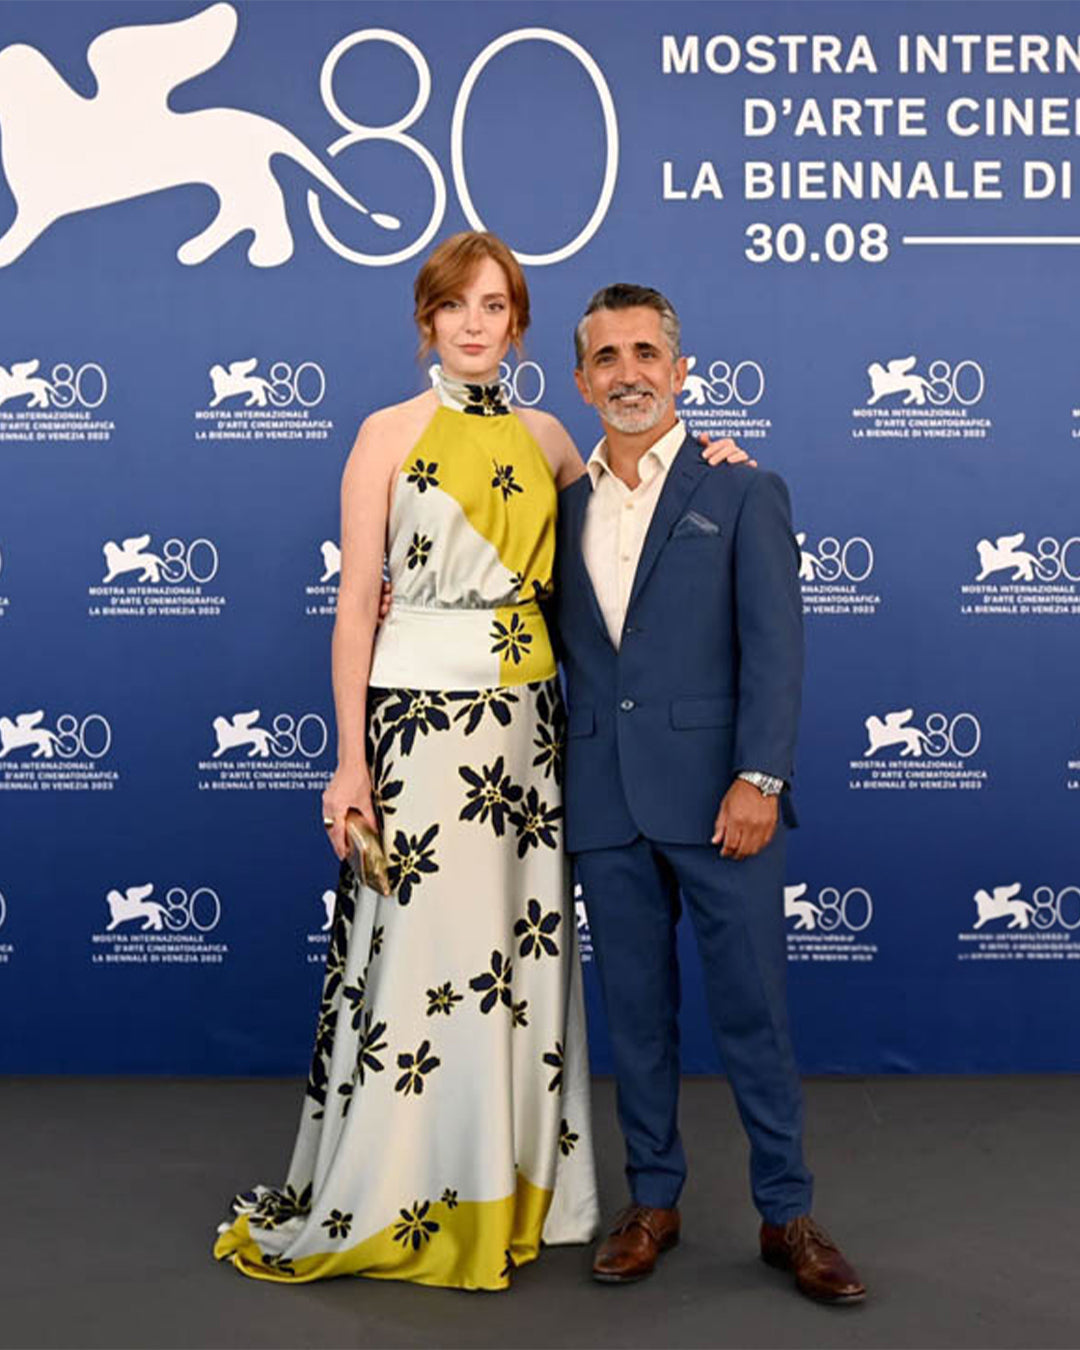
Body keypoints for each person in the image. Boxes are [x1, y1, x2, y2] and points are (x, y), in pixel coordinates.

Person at [212, 234, 743, 1291]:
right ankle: (407, 1188)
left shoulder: (553, 437)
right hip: (418, 734)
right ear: (427, 320)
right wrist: (348, 763)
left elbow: (633, 503)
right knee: (419, 965)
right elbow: (357, 604)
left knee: (516, 965)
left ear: (518, 326)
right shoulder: (384, 436)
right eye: (454, 304)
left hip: (530, 739)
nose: (472, 323)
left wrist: (709, 458)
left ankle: (515, 1189)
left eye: (493, 306)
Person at [554, 283, 866, 1304]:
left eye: (647, 353)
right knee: (635, 1017)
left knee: (753, 1015)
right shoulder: (561, 505)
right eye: (607, 357)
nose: (629, 372)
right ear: (581, 378)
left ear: (680, 372)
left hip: (725, 802)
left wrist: (759, 776)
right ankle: (653, 1202)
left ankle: (787, 1214)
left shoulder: (741, 488)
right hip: (604, 800)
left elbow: (777, 647)